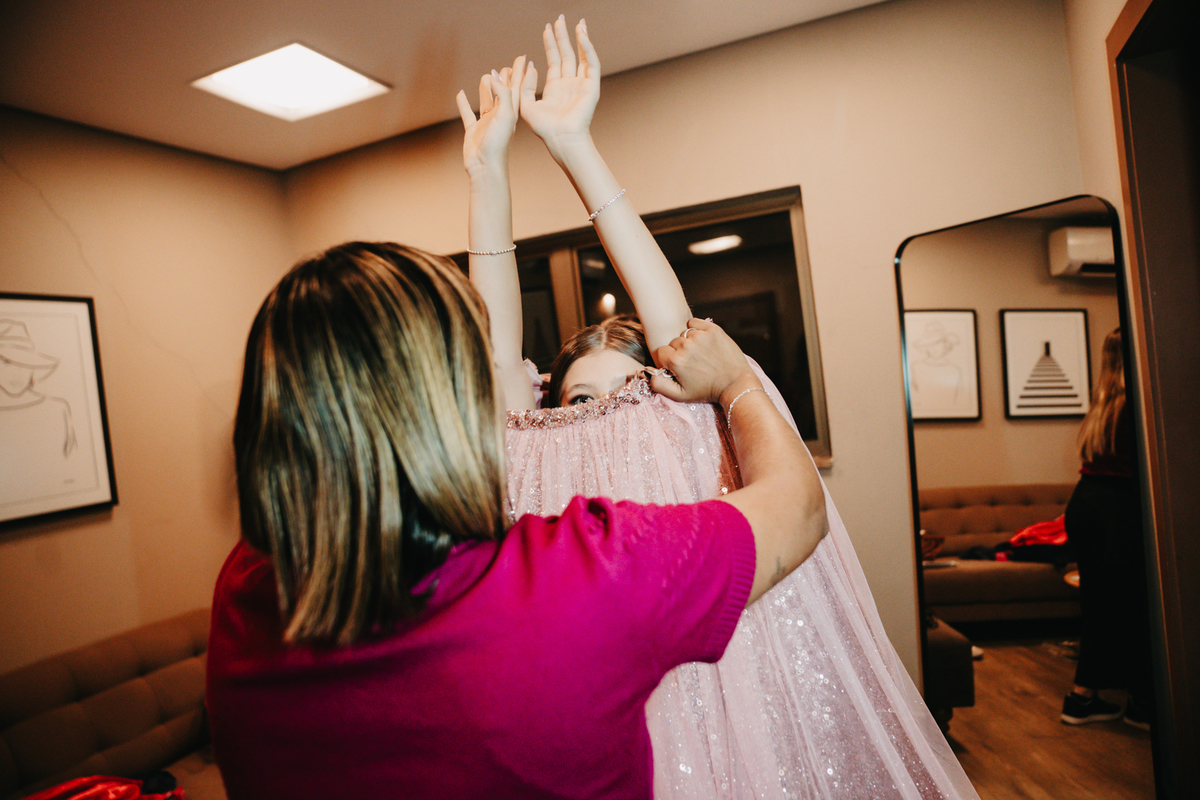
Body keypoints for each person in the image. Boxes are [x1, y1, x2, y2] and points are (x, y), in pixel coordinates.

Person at [467, 18, 980, 799]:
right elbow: (499, 358)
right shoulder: (536, 460)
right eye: (581, 398)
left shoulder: (676, 429)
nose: (601, 415)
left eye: (626, 392)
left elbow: (676, 330)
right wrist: (488, 174)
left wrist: (574, 146)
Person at [205, 243, 828, 799]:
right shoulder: (587, 574)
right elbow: (799, 507)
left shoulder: (243, 594)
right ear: (452, 407)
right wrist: (735, 380)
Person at [1060, 327, 1154, 729]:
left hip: (1086, 504)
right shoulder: (1137, 404)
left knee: (1099, 605)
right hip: (1116, 509)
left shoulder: (1102, 405)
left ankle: (1081, 699)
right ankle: (1142, 702)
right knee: (1136, 606)